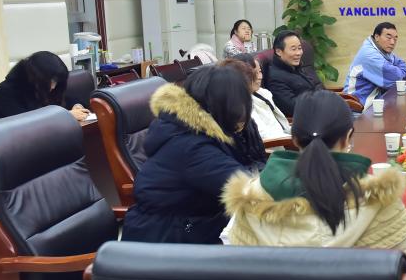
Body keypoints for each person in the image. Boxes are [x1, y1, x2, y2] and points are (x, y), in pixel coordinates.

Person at [222, 90, 406, 279]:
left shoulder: (252, 197)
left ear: (294, 138)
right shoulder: (373, 196)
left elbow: (237, 262)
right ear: (349, 136)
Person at [122, 65, 257, 244]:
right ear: (227, 106)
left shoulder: (196, 130)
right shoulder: (190, 146)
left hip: (192, 228)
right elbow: (246, 188)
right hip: (164, 244)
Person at [0, 51, 89, 123]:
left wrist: (77, 106)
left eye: (56, 81)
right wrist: (66, 116)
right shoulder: (5, 93)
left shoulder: (40, 86)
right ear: (38, 77)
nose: (53, 87)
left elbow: (65, 100)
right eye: (52, 81)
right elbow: (28, 123)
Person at [226, 54, 290, 141]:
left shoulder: (263, 93)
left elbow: (281, 125)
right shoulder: (240, 103)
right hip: (275, 145)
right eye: (254, 73)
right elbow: (263, 135)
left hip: (285, 139)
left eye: (259, 71)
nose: (260, 77)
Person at [344, 22, 406, 105]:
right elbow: (396, 78)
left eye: (395, 39)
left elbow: (402, 64)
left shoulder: (383, 51)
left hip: (374, 101)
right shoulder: (370, 55)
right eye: (389, 38)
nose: (392, 42)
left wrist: (399, 71)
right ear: (377, 37)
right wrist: (400, 72)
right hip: (357, 105)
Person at [265, 30, 322, 117]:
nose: (298, 53)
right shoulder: (275, 77)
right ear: (278, 51)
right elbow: (293, 107)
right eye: (293, 49)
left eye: (299, 48)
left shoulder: (294, 67)